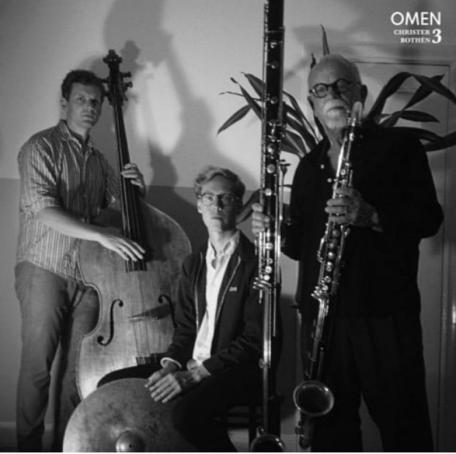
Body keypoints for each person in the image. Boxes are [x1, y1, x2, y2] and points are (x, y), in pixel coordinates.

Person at [252, 54, 443, 451]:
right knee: (332, 435)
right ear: (312, 103)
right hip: (325, 322)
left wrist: (371, 215)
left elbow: (429, 219)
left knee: (404, 429)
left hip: (385, 316)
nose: (333, 95)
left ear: (362, 93)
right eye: (322, 90)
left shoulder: (400, 147)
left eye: (343, 85)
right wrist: (273, 230)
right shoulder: (308, 167)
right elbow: (299, 246)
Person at [15, 69, 147, 451]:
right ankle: (26, 447)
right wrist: (101, 235)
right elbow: (44, 210)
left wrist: (136, 190)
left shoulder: (100, 161)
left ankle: (68, 445)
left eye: (95, 102)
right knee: (38, 369)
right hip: (44, 268)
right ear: (64, 103)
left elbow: (122, 211)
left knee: (77, 372)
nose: (89, 107)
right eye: (81, 100)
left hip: (91, 279)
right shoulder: (40, 147)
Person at [100, 166, 262, 451]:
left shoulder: (255, 262)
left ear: (238, 205)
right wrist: (171, 366)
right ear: (199, 204)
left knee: (187, 416)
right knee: (111, 384)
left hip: (234, 371)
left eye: (225, 198)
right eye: (209, 197)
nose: (217, 205)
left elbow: (253, 340)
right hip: (191, 364)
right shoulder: (193, 262)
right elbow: (186, 328)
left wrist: (195, 375)